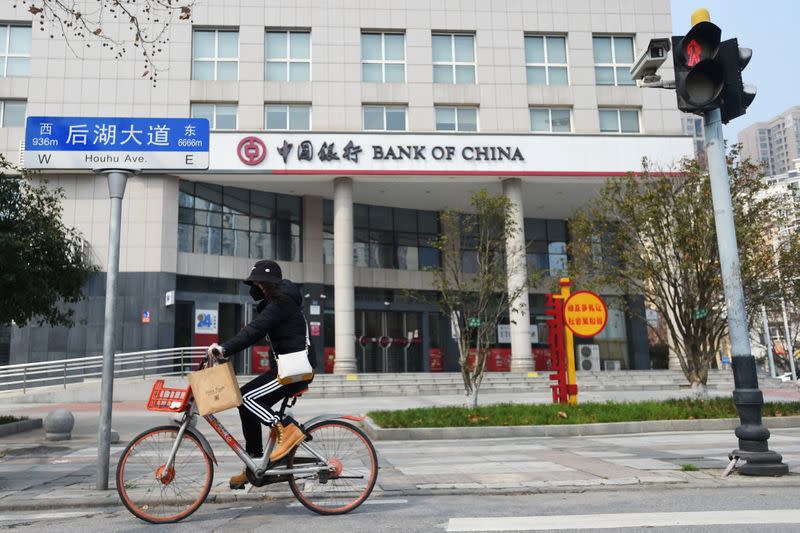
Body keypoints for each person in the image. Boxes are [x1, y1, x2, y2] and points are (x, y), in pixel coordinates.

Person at [206, 259, 314, 490]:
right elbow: (255, 333)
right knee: (245, 400)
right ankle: (254, 464)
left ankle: (287, 428)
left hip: (295, 370)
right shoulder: (276, 302)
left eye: (260, 283)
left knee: (246, 399)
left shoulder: (282, 302)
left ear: (269, 284)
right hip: (285, 368)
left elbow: (254, 330)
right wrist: (226, 352)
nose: (257, 287)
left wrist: (224, 348)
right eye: (255, 283)